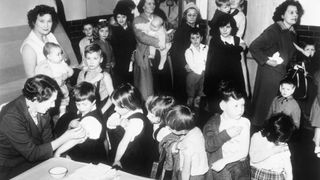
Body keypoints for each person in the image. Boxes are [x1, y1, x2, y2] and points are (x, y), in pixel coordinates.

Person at [0, 75, 86, 180]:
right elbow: (32, 153)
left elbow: (47, 141)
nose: (53, 105)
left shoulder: (41, 109)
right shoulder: (11, 117)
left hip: (34, 159)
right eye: (50, 101)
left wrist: (68, 133)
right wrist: (65, 137)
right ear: (35, 99)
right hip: (11, 167)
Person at [249, 0, 304, 128]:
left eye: (296, 12)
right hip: (270, 76)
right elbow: (254, 46)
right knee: (265, 109)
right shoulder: (274, 30)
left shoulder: (291, 32)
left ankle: (274, 133)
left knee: (276, 109)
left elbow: (287, 54)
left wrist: (294, 65)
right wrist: (268, 61)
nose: (295, 15)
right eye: (291, 12)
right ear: (282, 15)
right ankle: (259, 133)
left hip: (281, 75)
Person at [106, 83, 157, 177]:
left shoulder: (136, 121)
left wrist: (117, 160)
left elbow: (124, 142)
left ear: (128, 105)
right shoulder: (121, 113)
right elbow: (109, 123)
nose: (114, 109)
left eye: (117, 106)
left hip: (130, 160)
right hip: (118, 153)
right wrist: (119, 121)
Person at [203, 81, 250, 180]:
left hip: (237, 166)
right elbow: (208, 145)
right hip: (219, 167)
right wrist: (226, 134)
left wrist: (224, 161)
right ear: (223, 106)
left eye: (242, 105)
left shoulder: (244, 123)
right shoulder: (214, 122)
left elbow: (243, 153)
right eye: (236, 106)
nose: (240, 110)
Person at [54, 82, 108, 163]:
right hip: (85, 154)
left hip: (90, 160)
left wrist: (58, 152)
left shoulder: (91, 120)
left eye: (84, 104)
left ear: (93, 102)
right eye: (78, 104)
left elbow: (76, 139)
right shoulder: (89, 110)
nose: (81, 108)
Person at [204, 14, 246, 114]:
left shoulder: (238, 41)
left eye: (228, 27)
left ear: (232, 27)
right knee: (218, 110)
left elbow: (243, 65)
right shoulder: (215, 41)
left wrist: (247, 88)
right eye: (221, 27)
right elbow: (209, 63)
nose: (224, 30)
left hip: (235, 80)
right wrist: (240, 47)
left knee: (234, 109)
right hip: (218, 82)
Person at [171, 2, 205, 103]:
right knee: (183, 92)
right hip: (183, 65)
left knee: (195, 91)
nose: (192, 17)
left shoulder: (197, 30)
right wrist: (184, 64)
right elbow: (176, 51)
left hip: (195, 64)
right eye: (189, 15)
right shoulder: (181, 30)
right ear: (185, 16)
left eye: (194, 15)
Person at [166, 105, 209, 180]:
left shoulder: (187, 145)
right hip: (202, 171)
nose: (168, 128)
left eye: (171, 128)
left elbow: (186, 169)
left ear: (182, 130)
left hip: (192, 176)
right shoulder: (196, 129)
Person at [20, 5, 63, 78]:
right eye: (42, 21)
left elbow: (65, 57)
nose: (46, 25)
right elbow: (32, 80)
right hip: (45, 86)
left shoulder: (50, 35)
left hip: (61, 77)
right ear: (33, 22)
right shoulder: (28, 47)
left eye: (49, 21)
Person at [250, 113, 295, 180]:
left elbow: (288, 168)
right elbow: (254, 158)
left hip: (276, 175)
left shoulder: (283, 145)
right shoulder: (257, 137)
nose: (281, 143)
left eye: (283, 140)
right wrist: (273, 151)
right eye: (279, 140)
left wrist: (289, 177)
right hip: (258, 173)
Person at [35, 42, 74, 118]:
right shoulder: (45, 65)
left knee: (64, 100)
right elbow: (43, 77)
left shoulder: (62, 63)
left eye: (61, 53)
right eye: (58, 54)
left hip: (61, 87)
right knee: (51, 102)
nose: (61, 56)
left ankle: (62, 112)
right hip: (51, 88)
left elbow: (71, 72)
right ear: (49, 56)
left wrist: (65, 75)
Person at [111, 2, 136, 87]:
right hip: (119, 63)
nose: (121, 19)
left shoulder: (131, 29)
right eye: (118, 17)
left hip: (131, 60)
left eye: (123, 17)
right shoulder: (114, 30)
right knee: (121, 84)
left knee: (130, 83)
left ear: (127, 17)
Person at [185, 27, 208, 108]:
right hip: (193, 75)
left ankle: (197, 108)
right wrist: (203, 67)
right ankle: (189, 108)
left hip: (204, 74)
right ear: (190, 39)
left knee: (200, 95)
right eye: (193, 38)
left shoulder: (206, 48)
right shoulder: (188, 51)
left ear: (201, 38)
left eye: (197, 37)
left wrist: (204, 68)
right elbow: (192, 65)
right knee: (191, 95)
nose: (195, 40)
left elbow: (208, 60)